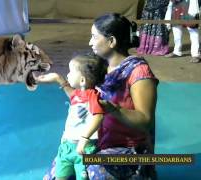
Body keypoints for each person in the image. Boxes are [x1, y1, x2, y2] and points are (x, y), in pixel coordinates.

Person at [43, 13, 158, 180]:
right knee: (58, 173)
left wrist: (111, 109)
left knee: (95, 170)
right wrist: (60, 80)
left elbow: (146, 120)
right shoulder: (99, 65)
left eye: (94, 37)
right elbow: (81, 96)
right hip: (94, 142)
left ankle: (140, 173)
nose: (90, 42)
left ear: (111, 41)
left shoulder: (138, 72)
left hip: (127, 147)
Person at [37, 54, 106, 180]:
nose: (68, 74)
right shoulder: (78, 95)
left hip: (83, 148)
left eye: (71, 72)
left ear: (82, 81)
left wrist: (84, 139)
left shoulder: (93, 97)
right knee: (60, 176)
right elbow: (72, 95)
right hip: (67, 146)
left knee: (82, 176)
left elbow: (98, 116)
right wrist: (58, 78)